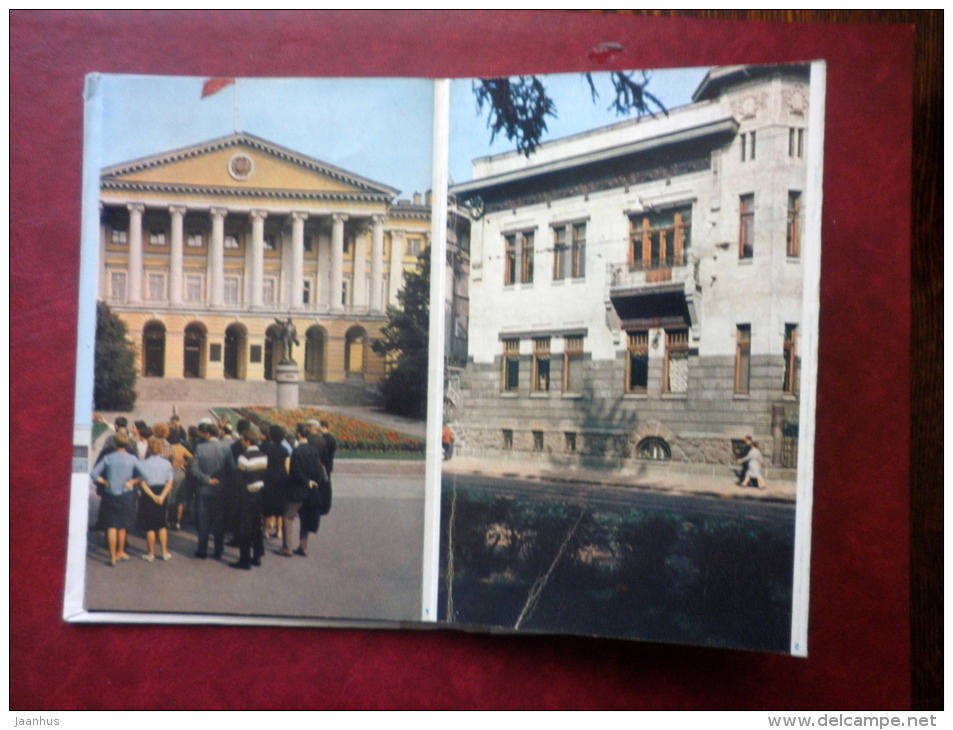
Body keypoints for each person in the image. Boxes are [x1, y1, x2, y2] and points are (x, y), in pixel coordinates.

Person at [90, 432, 139, 566]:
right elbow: (144, 475)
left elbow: (94, 474)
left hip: (110, 493)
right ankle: (120, 551)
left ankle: (112, 556)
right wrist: (133, 482)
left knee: (111, 525)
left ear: (114, 443)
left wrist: (105, 482)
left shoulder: (108, 457)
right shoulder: (132, 458)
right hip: (126, 494)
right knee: (122, 526)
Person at [188, 423, 235, 559]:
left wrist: (207, 479)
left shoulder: (200, 447)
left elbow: (194, 469)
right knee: (219, 521)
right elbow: (231, 468)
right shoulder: (226, 448)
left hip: (204, 489)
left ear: (207, 434)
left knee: (204, 520)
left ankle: (202, 550)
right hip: (221, 489)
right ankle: (218, 550)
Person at [281, 423, 325, 557]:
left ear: (299, 434)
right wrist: (313, 483)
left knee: (288, 518)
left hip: (296, 490)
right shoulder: (314, 450)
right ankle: (303, 546)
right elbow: (319, 471)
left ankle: (288, 547)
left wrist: (305, 481)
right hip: (310, 491)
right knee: (305, 519)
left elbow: (295, 471)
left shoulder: (297, 450)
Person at [231, 428, 268, 570]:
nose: (241, 442)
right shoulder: (263, 455)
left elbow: (238, 479)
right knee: (256, 526)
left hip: (246, 495)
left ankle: (244, 559)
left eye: (242, 439)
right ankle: (257, 556)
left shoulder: (243, 457)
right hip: (259, 493)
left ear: (247, 441)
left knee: (244, 527)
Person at [133, 437, 175, 562]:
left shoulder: (143, 464)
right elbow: (170, 482)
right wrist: (161, 496)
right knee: (161, 524)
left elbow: (143, 483)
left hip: (148, 494)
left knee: (150, 526)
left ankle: (150, 553)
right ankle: (165, 552)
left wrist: (153, 496)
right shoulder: (167, 463)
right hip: (162, 492)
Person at [260, 425, 290, 540]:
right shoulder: (285, 450)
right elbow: (287, 466)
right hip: (281, 478)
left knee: (267, 505)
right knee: (280, 506)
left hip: (268, 476)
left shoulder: (266, 448)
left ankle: (265, 530)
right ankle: (279, 531)